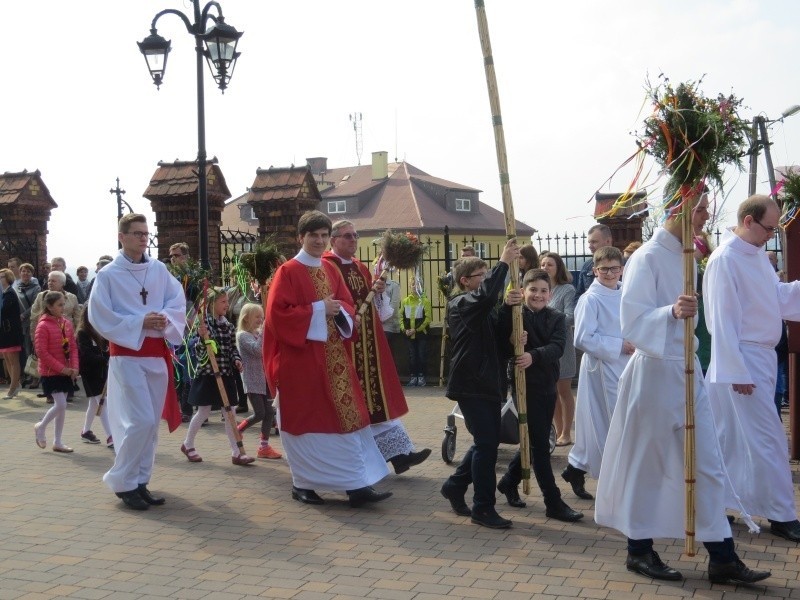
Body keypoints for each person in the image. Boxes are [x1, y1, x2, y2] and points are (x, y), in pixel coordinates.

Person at [595, 190, 771, 584]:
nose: (707, 215)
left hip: (687, 372)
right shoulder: (646, 258)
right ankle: (638, 550)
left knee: (707, 464)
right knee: (649, 464)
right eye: (702, 208)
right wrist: (671, 313)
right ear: (679, 207)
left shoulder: (689, 256)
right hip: (655, 374)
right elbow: (633, 322)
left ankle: (722, 556)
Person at [263, 210, 392, 507]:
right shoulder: (288, 272)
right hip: (301, 361)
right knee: (307, 423)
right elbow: (277, 317)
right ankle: (303, 484)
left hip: (334, 359)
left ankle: (356, 485)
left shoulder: (330, 269)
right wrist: (319, 309)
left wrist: (340, 312)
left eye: (323, 236)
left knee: (346, 421)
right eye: (314, 236)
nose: (320, 241)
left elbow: (345, 302)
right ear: (301, 238)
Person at [704, 194, 800, 543]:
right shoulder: (725, 259)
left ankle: (721, 503)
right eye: (768, 228)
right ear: (748, 221)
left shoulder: (756, 256)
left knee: (730, 440)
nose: (770, 236)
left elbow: (775, 298)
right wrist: (736, 370)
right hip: (741, 360)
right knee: (769, 439)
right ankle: (782, 513)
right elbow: (720, 318)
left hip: (757, 358)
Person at [88, 213, 186, 511]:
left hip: (157, 354)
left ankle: (140, 481)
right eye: (137, 233)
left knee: (150, 424)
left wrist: (164, 319)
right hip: (128, 356)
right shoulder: (108, 275)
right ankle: (122, 481)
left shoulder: (158, 269)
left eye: (146, 233)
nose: (144, 238)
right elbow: (99, 316)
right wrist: (140, 322)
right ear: (122, 237)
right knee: (140, 421)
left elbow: (177, 301)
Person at [323, 220, 431, 474]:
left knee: (374, 400)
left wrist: (379, 291)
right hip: (344, 345)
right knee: (359, 403)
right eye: (347, 236)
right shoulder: (327, 267)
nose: (353, 240)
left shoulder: (361, 267)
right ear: (333, 240)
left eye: (355, 235)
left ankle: (400, 455)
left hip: (367, 345)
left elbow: (378, 310)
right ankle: (391, 457)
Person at [440, 239, 520, 529]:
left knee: (485, 441)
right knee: (487, 444)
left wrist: (511, 311)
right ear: (465, 281)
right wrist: (502, 264)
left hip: (490, 382)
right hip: (470, 382)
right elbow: (486, 297)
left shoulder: (485, 307)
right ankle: (483, 507)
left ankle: (455, 485)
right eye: (481, 276)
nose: (486, 281)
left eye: (488, 275)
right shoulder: (461, 304)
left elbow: (500, 337)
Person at [495, 268, 584, 523]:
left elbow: (557, 346)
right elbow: (501, 343)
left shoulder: (555, 317)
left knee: (534, 441)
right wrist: (513, 339)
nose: (538, 295)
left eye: (543, 291)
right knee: (540, 445)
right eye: (533, 290)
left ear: (550, 293)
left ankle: (508, 482)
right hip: (524, 386)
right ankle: (553, 501)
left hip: (547, 384)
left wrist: (533, 354)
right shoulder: (515, 314)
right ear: (523, 291)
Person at [562, 246, 632, 500]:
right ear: (595, 271)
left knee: (617, 420)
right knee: (607, 421)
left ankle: (577, 467)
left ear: (622, 269)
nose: (610, 274)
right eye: (604, 270)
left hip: (626, 363)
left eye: (615, 269)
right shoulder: (589, 299)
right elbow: (582, 338)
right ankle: (610, 478)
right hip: (602, 367)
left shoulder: (627, 292)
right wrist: (619, 345)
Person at [181, 287, 255, 466]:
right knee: (204, 411)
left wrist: (236, 360)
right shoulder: (204, 323)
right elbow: (199, 350)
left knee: (230, 412)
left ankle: (237, 452)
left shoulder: (228, 325)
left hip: (225, 373)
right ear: (212, 304)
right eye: (223, 302)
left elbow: (232, 349)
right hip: (208, 374)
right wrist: (202, 338)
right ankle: (188, 444)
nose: (226, 305)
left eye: (227, 302)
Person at [33, 291, 79, 453]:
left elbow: (73, 347)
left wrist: (74, 367)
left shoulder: (66, 323)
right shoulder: (43, 325)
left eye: (63, 304)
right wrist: (62, 368)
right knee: (61, 404)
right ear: (49, 306)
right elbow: (42, 352)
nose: (63, 307)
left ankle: (58, 441)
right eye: (59, 304)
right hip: (51, 372)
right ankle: (41, 426)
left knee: (62, 407)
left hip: (66, 372)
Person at [236, 303, 281, 459]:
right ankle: (239, 429)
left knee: (270, 412)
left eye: (262, 317)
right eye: (257, 316)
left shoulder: (256, 334)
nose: (260, 319)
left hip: (264, 380)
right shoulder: (242, 336)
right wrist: (264, 334)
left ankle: (264, 446)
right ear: (246, 318)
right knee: (260, 413)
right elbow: (257, 351)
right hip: (253, 381)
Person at [539, 251, 575, 446]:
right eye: (542, 264)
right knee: (551, 392)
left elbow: (571, 316)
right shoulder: (539, 289)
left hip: (562, 346)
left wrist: (549, 319)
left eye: (549, 264)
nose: (545, 267)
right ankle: (558, 430)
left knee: (563, 390)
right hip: (544, 347)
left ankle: (567, 433)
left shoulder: (566, 289)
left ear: (558, 267)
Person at [76, 306, 112, 448]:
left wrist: (108, 355)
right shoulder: (82, 333)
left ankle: (85, 431)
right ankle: (110, 436)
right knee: (102, 402)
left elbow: (105, 350)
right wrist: (105, 359)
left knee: (93, 402)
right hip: (89, 372)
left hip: (100, 370)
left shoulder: (100, 331)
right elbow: (86, 354)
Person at [399, 278, 432, 387]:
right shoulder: (405, 301)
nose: (415, 287)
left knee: (421, 355)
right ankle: (413, 377)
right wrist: (404, 329)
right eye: (413, 285)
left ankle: (421, 377)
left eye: (418, 285)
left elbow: (427, 319)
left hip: (421, 334)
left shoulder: (425, 301)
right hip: (409, 334)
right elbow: (401, 317)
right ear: (409, 286)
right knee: (412, 356)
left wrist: (416, 329)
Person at [15, 263, 41, 388]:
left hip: (30, 322)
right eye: (23, 271)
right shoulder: (16, 287)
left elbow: (36, 305)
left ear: (32, 274)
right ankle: (27, 374)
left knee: (32, 350)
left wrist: (23, 315)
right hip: (18, 324)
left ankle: (35, 377)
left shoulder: (36, 288)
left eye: (28, 271)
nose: (25, 273)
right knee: (23, 351)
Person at [0, 269, 24, 398]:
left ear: (8, 278)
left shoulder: (10, 293)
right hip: (3, 332)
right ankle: (15, 384)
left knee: (13, 360)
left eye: (1, 277)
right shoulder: (3, 293)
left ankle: (13, 388)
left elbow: (4, 310)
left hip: (11, 332)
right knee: (7, 360)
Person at [575, 224, 612, 301]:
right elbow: (579, 295)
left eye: (594, 242)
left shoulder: (624, 264)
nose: (590, 246)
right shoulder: (586, 266)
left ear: (608, 241)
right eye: (589, 242)